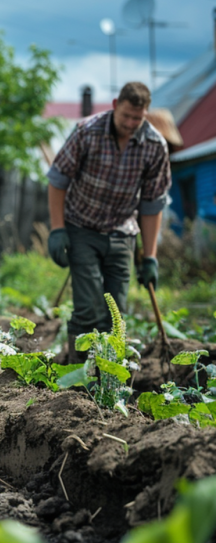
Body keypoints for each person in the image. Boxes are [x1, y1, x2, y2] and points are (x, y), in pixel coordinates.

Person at [47, 82, 171, 362]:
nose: (130, 123)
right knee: (89, 307)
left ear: (146, 114)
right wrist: (57, 229)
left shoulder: (154, 146)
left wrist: (150, 257)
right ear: (115, 105)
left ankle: (107, 384)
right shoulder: (87, 132)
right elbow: (57, 181)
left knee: (116, 313)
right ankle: (77, 378)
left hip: (122, 233)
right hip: (81, 227)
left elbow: (152, 204)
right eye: (126, 115)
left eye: (137, 118)